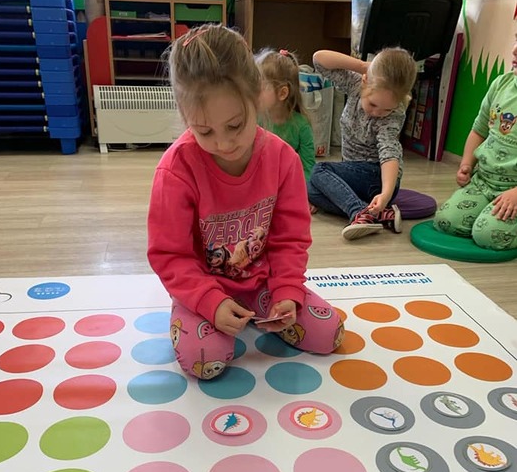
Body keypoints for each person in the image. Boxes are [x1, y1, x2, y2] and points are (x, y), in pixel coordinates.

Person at [147, 24, 344, 380]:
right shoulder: (176, 170)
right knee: (204, 359)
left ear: (257, 98)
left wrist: (286, 291)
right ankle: (195, 308)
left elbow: (290, 238)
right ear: (185, 115)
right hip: (203, 287)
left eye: (236, 125)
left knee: (329, 333)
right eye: (204, 131)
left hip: (262, 284)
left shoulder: (282, 159)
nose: (223, 144)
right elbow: (170, 256)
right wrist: (210, 301)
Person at [307, 47, 417, 240]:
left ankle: (358, 211)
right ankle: (378, 213)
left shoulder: (393, 117)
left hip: (377, 178)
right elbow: (319, 59)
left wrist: (385, 194)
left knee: (319, 170)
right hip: (355, 176)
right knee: (310, 190)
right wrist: (364, 67)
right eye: (373, 104)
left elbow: (390, 154)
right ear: (365, 82)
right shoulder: (356, 83)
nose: (377, 113)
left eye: (387, 109)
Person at [433, 35, 517, 250]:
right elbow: (479, 130)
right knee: (446, 221)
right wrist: (466, 164)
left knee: (487, 236)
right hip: (484, 182)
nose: (515, 50)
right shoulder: (501, 84)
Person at [255, 47, 316, 182]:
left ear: (282, 93)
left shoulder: (301, 126)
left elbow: (308, 168)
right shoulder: (254, 120)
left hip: (289, 184)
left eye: (260, 87)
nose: (253, 92)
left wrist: (299, 190)